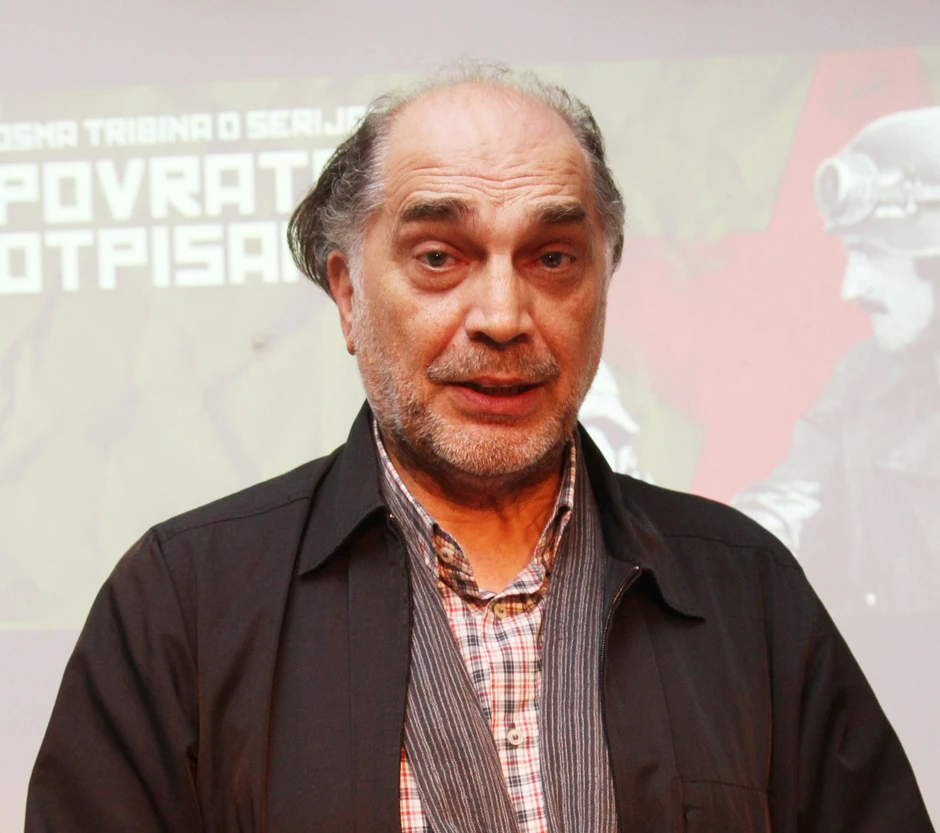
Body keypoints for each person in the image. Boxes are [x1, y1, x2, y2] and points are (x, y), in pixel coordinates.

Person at [26, 63, 933, 833]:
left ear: (603, 285)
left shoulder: (744, 586)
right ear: (347, 293)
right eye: (438, 257)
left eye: (552, 258)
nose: (503, 316)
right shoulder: (183, 604)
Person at [733, 107, 940, 620]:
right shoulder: (865, 378)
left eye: (871, 254)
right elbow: (795, 498)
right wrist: (718, 556)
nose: (852, 287)